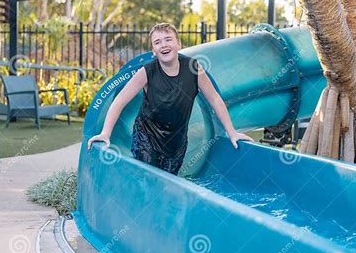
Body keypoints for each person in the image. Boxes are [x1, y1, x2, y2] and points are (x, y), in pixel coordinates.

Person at [88, 23, 253, 175]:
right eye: (157, 42)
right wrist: (106, 133)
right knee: (148, 177)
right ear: (153, 50)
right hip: (147, 136)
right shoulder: (147, 72)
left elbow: (215, 99)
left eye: (168, 39)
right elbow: (120, 101)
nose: (164, 45)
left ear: (179, 44)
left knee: (169, 181)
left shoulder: (194, 69)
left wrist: (232, 132)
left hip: (177, 141)